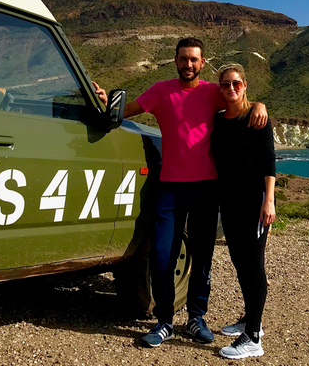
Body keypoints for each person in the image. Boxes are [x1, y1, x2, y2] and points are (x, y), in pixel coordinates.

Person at [96, 38, 267, 348]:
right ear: (175, 61)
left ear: (202, 63)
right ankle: (164, 322)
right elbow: (125, 112)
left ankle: (196, 317)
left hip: (206, 189)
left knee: (202, 258)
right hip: (171, 188)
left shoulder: (213, 93)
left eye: (194, 60)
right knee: (162, 257)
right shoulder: (161, 91)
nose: (188, 64)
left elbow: (239, 100)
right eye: (183, 59)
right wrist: (108, 101)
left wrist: (260, 105)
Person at [211, 63, 276, 359]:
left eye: (236, 83)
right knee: (240, 262)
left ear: (245, 85)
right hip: (230, 202)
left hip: (254, 202)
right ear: (220, 88)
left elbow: (268, 161)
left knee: (253, 265)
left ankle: (253, 338)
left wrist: (269, 200)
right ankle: (252, 320)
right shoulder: (220, 119)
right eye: (226, 84)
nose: (231, 88)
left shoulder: (257, 117)